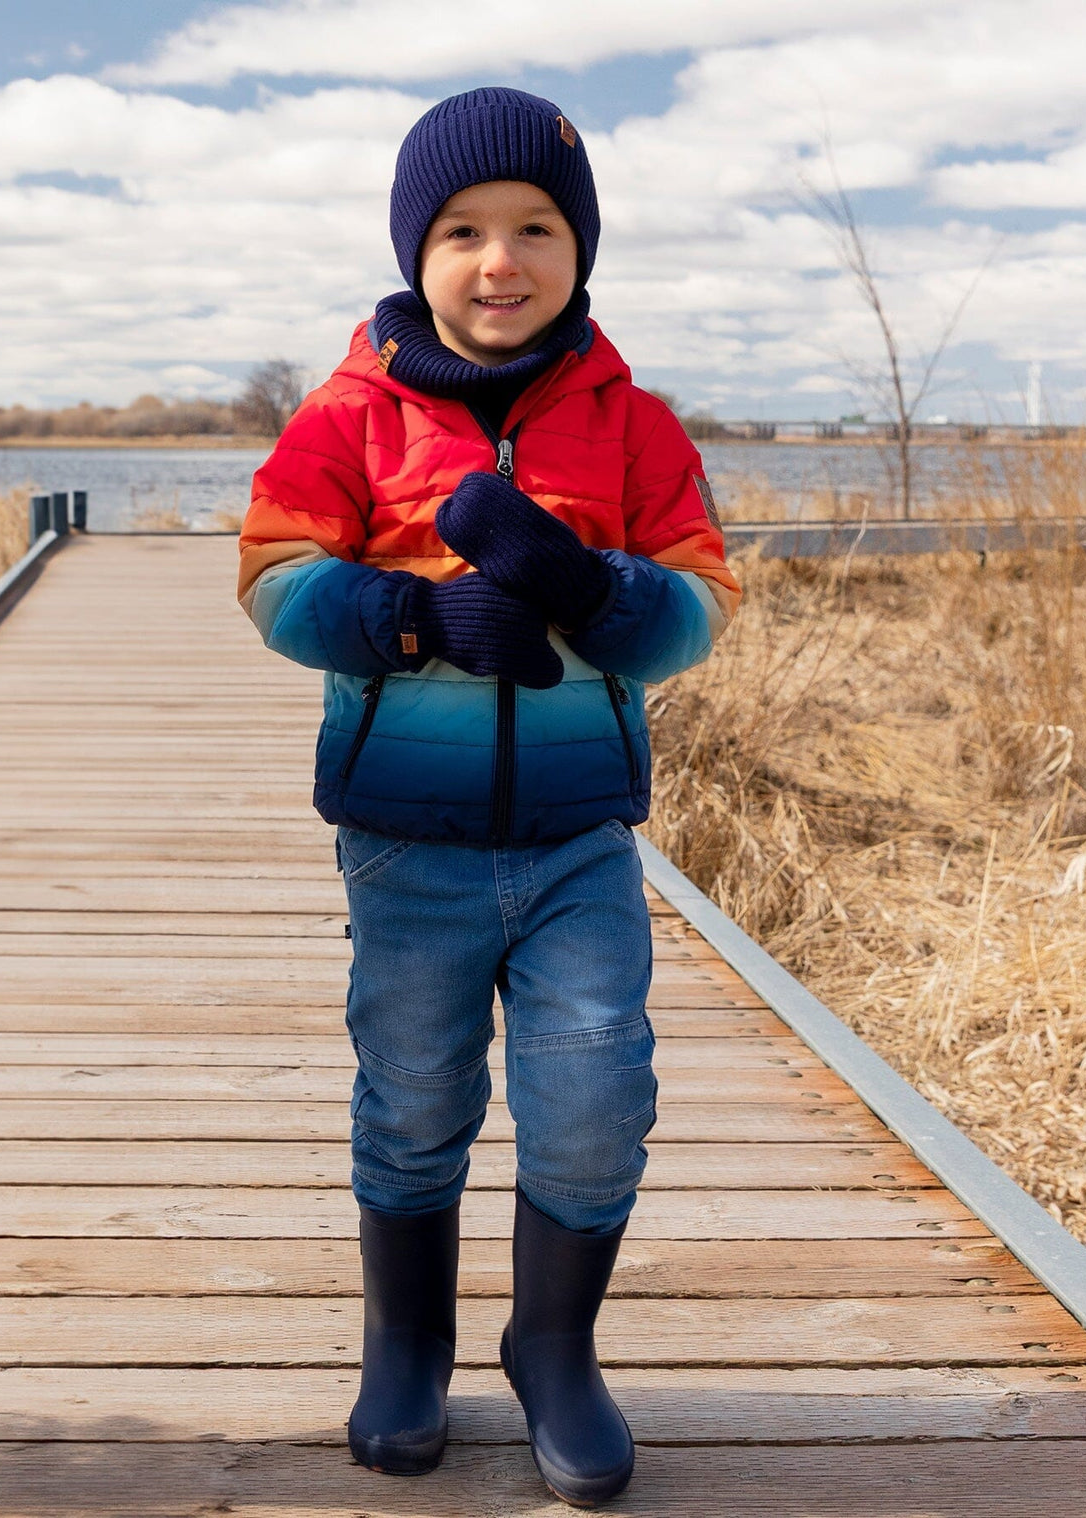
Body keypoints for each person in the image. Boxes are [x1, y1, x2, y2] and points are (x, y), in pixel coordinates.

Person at [237, 86, 740, 1508]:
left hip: (580, 838)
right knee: (412, 1095)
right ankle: (407, 1338)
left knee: (593, 1091)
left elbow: (700, 604)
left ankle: (552, 1344)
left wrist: (588, 583)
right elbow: (273, 576)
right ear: (418, 249)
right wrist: (415, 620)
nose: (497, 259)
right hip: (411, 842)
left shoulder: (632, 425)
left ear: (578, 250)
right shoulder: (348, 417)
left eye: (533, 227)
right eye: (461, 230)